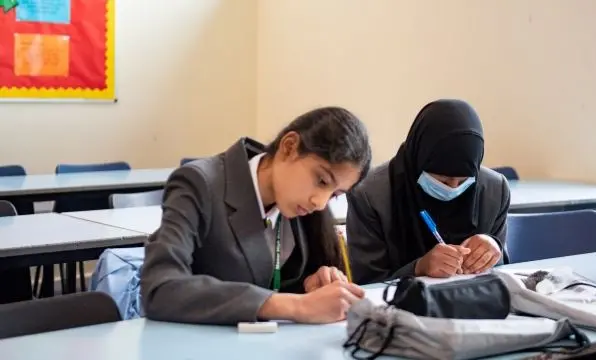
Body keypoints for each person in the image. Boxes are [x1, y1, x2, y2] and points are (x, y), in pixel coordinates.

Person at [141, 107, 372, 325]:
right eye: (321, 181)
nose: (320, 203)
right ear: (289, 146)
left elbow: (278, 282)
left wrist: (312, 286)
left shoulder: (300, 205)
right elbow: (160, 288)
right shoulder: (199, 183)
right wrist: (295, 305)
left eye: (335, 194)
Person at [346, 99, 511, 285]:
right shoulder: (370, 194)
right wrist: (418, 268)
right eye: (442, 180)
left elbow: (502, 270)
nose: (453, 188)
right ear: (419, 160)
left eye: (464, 181)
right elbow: (367, 280)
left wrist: (491, 248)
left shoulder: (495, 190)